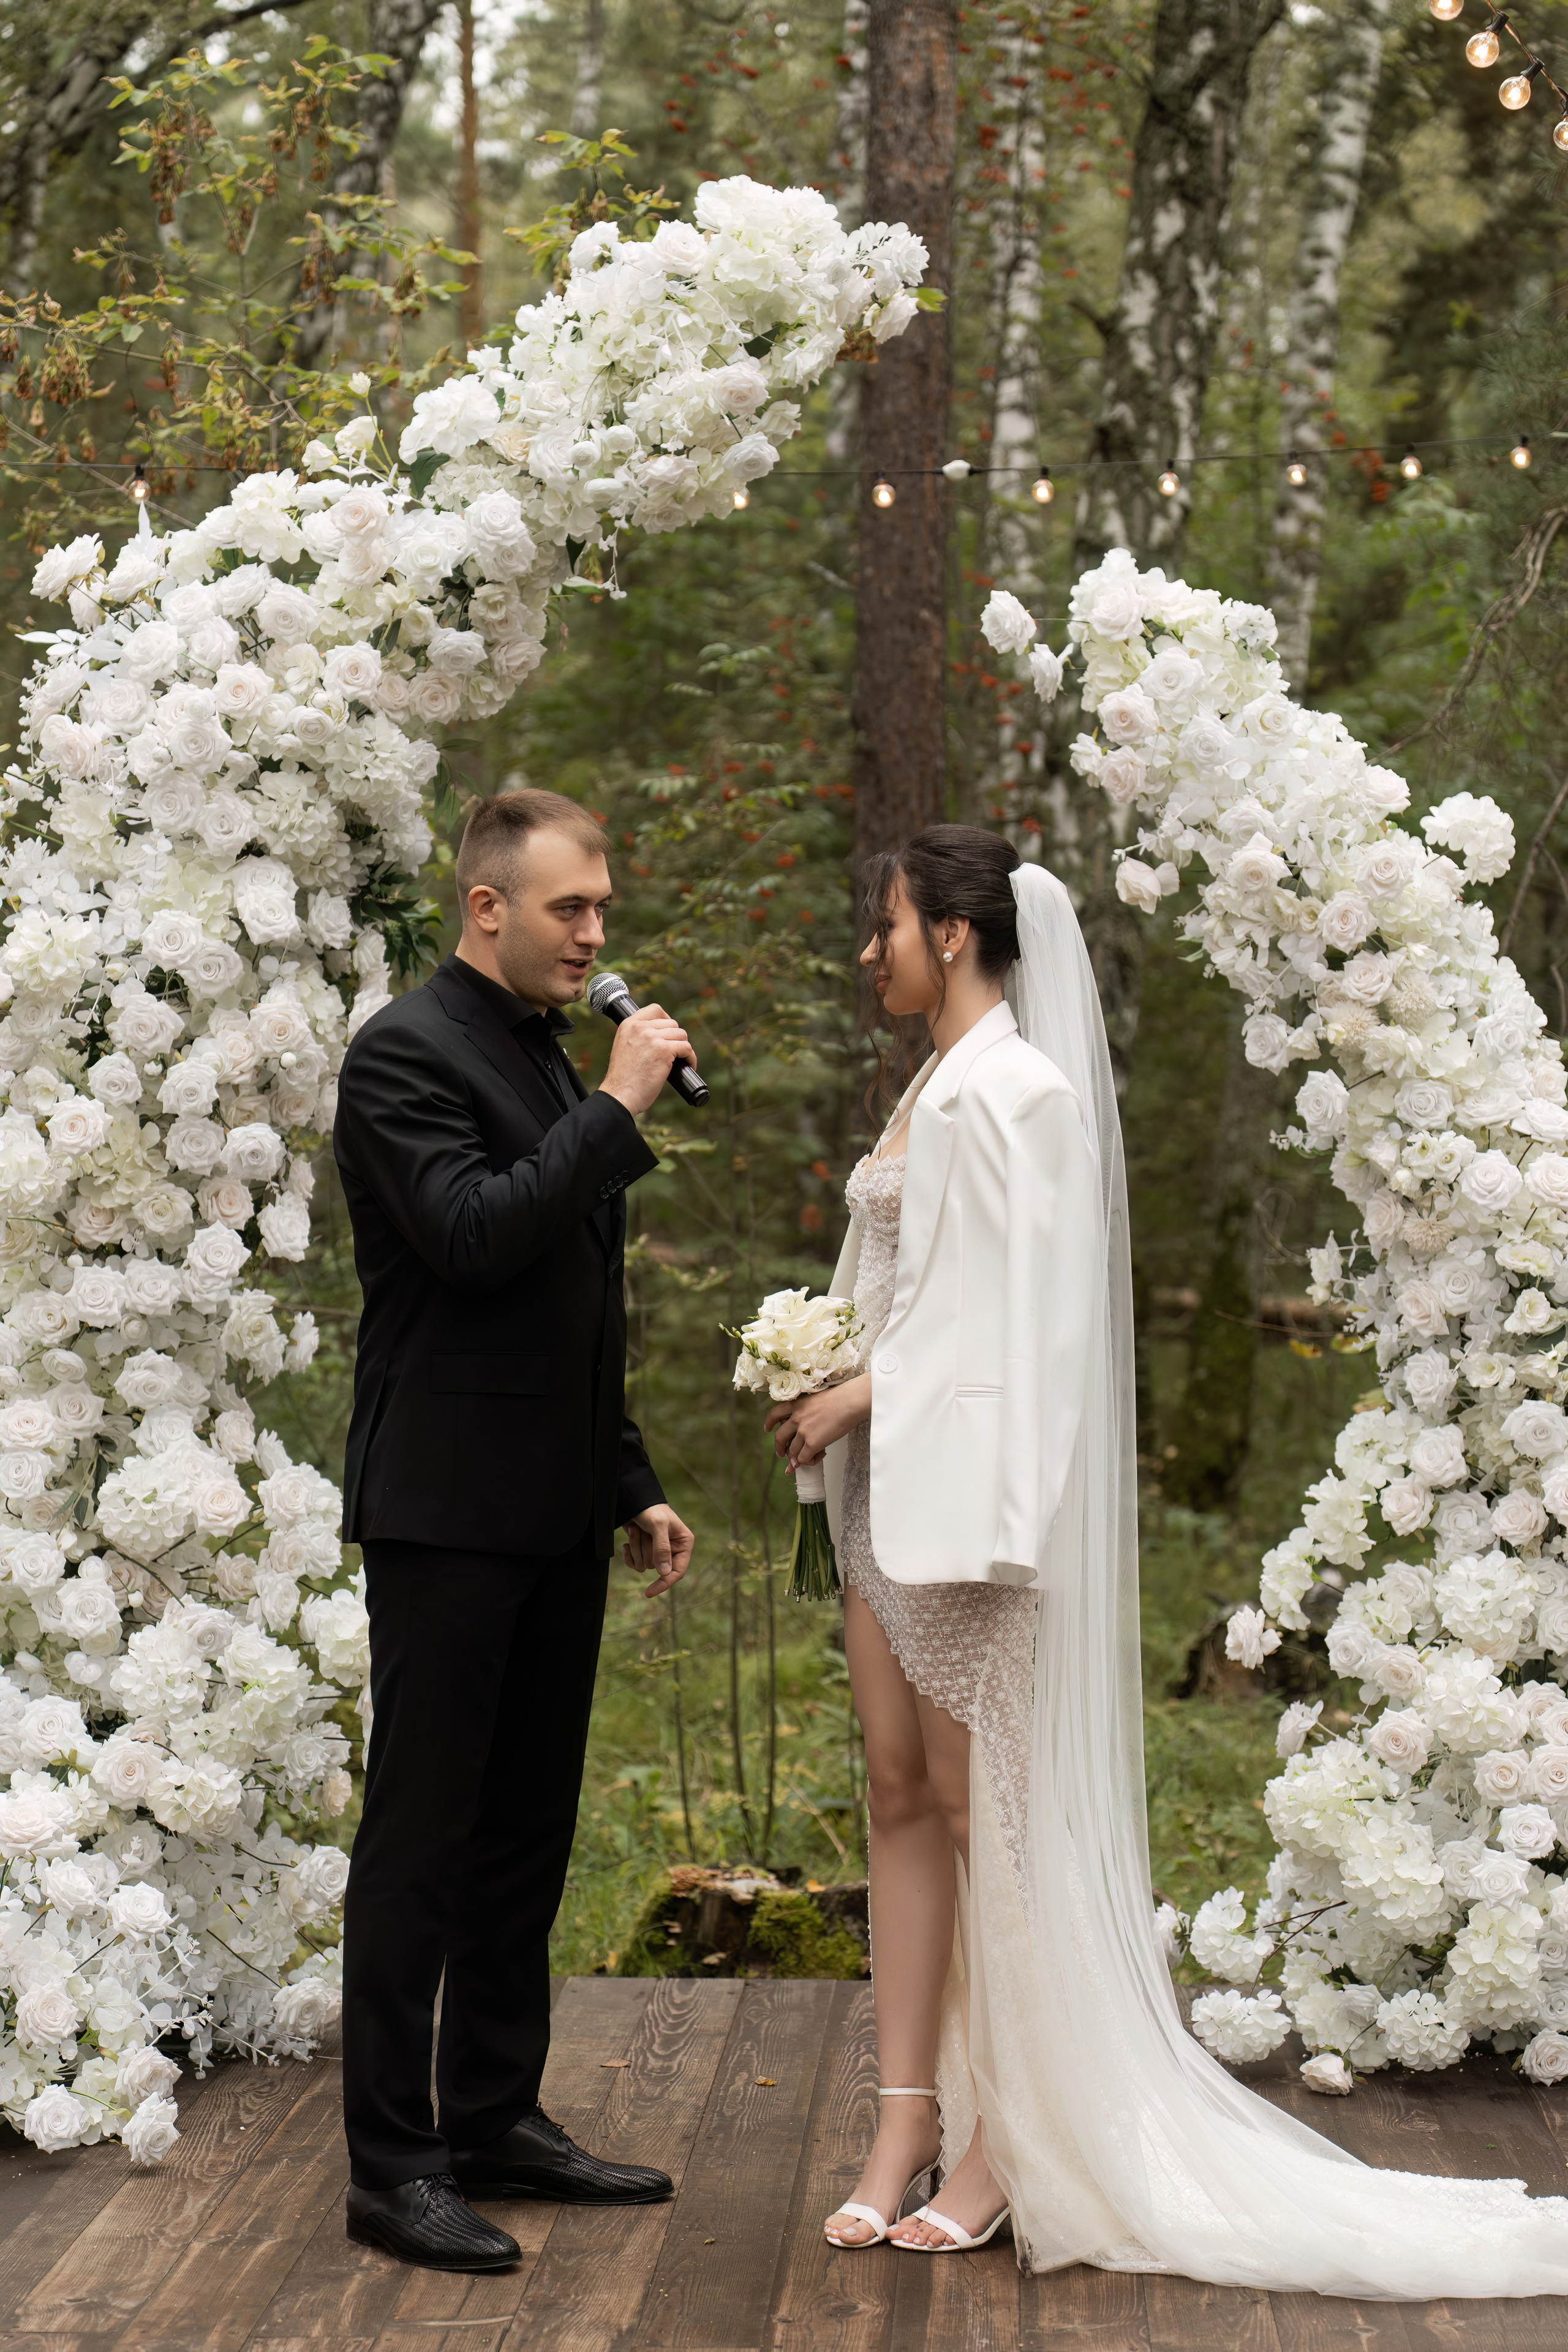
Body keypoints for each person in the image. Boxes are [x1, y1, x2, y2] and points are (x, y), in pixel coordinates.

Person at [762, 823, 1568, 2297]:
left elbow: (1034, 1314)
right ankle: (903, 2122)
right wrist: (819, 1373)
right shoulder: (931, 1084)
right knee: (893, 1792)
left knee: (983, 1808)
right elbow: (907, 1277)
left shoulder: (1023, 1090)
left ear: (952, 933)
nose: (868, 949)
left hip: (969, 1498)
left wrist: (862, 1388)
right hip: (883, 1492)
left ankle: (1006, 2139)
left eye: (884, 923)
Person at [333, 787, 696, 2274]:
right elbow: (475, 1238)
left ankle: (491, 2116)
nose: (595, 933)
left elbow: (569, 1303)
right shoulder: (402, 1054)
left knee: (524, 1834)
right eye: (570, 908)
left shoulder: (544, 1051)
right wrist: (615, 1108)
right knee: (421, 1841)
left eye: (601, 907)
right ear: (486, 908)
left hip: (550, 1509)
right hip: (443, 1509)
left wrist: (630, 1480)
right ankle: (392, 2165)